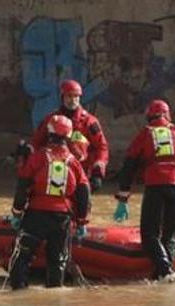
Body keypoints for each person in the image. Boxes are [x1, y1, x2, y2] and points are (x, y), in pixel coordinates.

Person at [113, 99, 175, 282]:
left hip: (156, 187)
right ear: (167, 115)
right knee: (172, 235)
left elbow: (129, 166)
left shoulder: (145, 135)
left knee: (149, 235)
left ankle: (165, 271)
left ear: (149, 116)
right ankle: (166, 275)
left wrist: (123, 197)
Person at [7, 115, 91, 289]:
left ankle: (18, 291)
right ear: (68, 136)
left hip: (35, 215)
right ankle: (54, 296)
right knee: (57, 259)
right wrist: (82, 221)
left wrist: (17, 212)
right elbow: (83, 193)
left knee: (22, 256)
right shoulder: (74, 163)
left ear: (49, 133)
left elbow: (23, 185)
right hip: (62, 219)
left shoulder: (37, 158)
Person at [19, 80, 109, 192]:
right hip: (55, 173)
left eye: (76, 96)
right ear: (62, 97)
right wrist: (27, 150)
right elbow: (36, 142)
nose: (73, 100)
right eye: (69, 96)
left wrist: (98, 170)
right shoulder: (50, 120)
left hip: (81, 174)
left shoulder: (89, 122)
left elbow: (102, 147)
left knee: (81, 206)